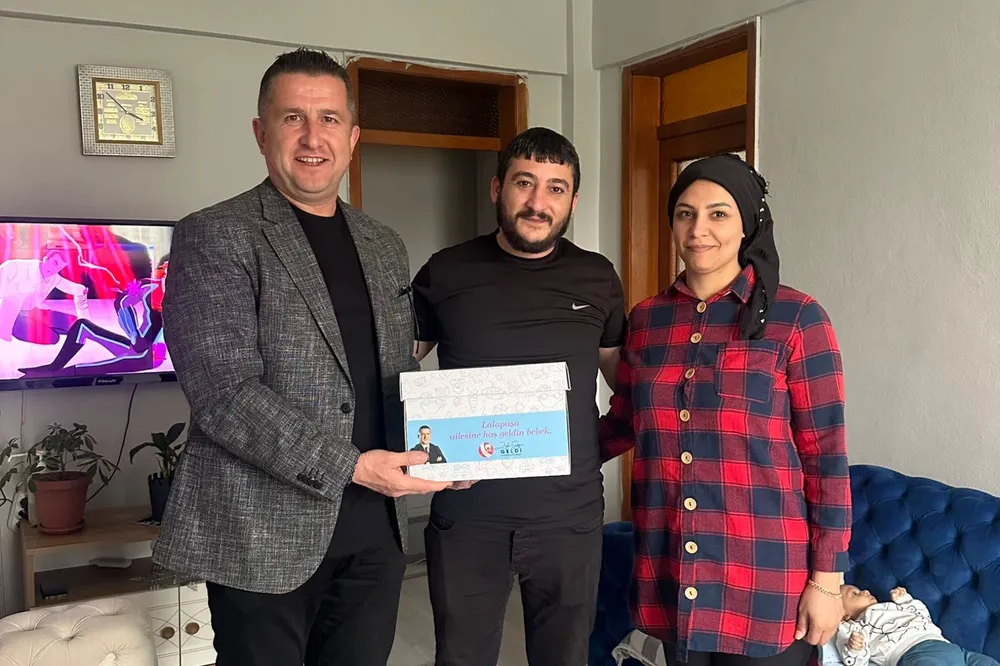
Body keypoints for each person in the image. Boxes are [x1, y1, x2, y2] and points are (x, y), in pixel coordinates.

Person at [153, 47, 455, 666]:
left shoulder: (383, 243)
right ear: (261, 133)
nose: (313, 138)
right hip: (261, 537)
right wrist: (352, 467)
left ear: (353, 137)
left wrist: (454, 442)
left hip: (375, 536)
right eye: (293, 118)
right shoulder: (216, 233)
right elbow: (224, 393)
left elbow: (394, 372)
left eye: (330, 119)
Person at [600, 154, 852, 666]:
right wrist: (525, 450)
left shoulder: (797, 318)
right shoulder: (646, 321)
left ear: (747, 225)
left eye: (718, 214)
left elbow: (826, 455)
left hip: (762, 580)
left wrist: (827, 579)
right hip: (671, 572)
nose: (699, 230)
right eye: (685, 214)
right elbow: (622, 425)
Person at [412, 127, 627, 666]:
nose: (537, 202)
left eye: (556, 188)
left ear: (573, 200)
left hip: (569, 518)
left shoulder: (596, 276)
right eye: (524, 182)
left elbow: (624, 379)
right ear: (497, 188)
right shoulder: (446, 271)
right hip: (468, 516)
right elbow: (391, 367)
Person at [837, 585, 999, 666]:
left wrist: (906, 600)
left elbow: (923, 616)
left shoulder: (892, 606)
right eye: (855, 594)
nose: (865, 591)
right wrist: (854, 649)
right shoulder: (854, 628)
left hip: (950, 647)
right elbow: (856, 661)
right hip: (913, 653)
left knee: (987, 663)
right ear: (845, 614)